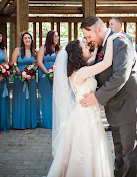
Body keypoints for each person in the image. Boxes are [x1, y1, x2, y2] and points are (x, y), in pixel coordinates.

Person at [80, 16, 137, 177]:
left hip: (130, 106)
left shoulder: (120, 42)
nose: (88, 40)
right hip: (115, 107)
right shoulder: (103, 44)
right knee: (120, 156)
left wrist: (97, 96)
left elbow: (120, 75)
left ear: (99, 29)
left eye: (89, 36)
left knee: (129, 156)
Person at [47, 33, 121, 176]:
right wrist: (111, 39)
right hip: (86, 115)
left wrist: (98, 44)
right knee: (86, 148)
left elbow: (93, 58)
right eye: (85, 47)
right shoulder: (82, 72)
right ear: (78, 54)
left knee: (84, 149)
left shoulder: (80, 70)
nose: (89, 47)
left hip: (83, 112)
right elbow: (106, 63)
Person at [11, 32, 37, 129]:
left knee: (31, 99)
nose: (27, 40)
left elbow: (36, 64)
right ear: (22, 40)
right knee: (20, 99)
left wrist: (31, 73)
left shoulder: (34, 51)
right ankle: (19, 123)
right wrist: (21, 74)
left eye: (29, 38)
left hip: (31, 79)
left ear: (31, 39)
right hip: (19, 78)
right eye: (25, 38)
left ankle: (30, 123)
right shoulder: (17, 50)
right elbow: (13, 63)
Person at [37, 30, 61, 129]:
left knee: (56, 97)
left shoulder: (59, 48)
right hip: (44, 75)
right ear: (50, 37)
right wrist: (47, 73)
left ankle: (56, 120)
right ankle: (47, 121)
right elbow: (39, 61)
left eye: (58, 36)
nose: (57, 38)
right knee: (46, 97)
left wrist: (56, 73)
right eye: (55, 36)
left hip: (56, 75)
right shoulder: (43, 48)